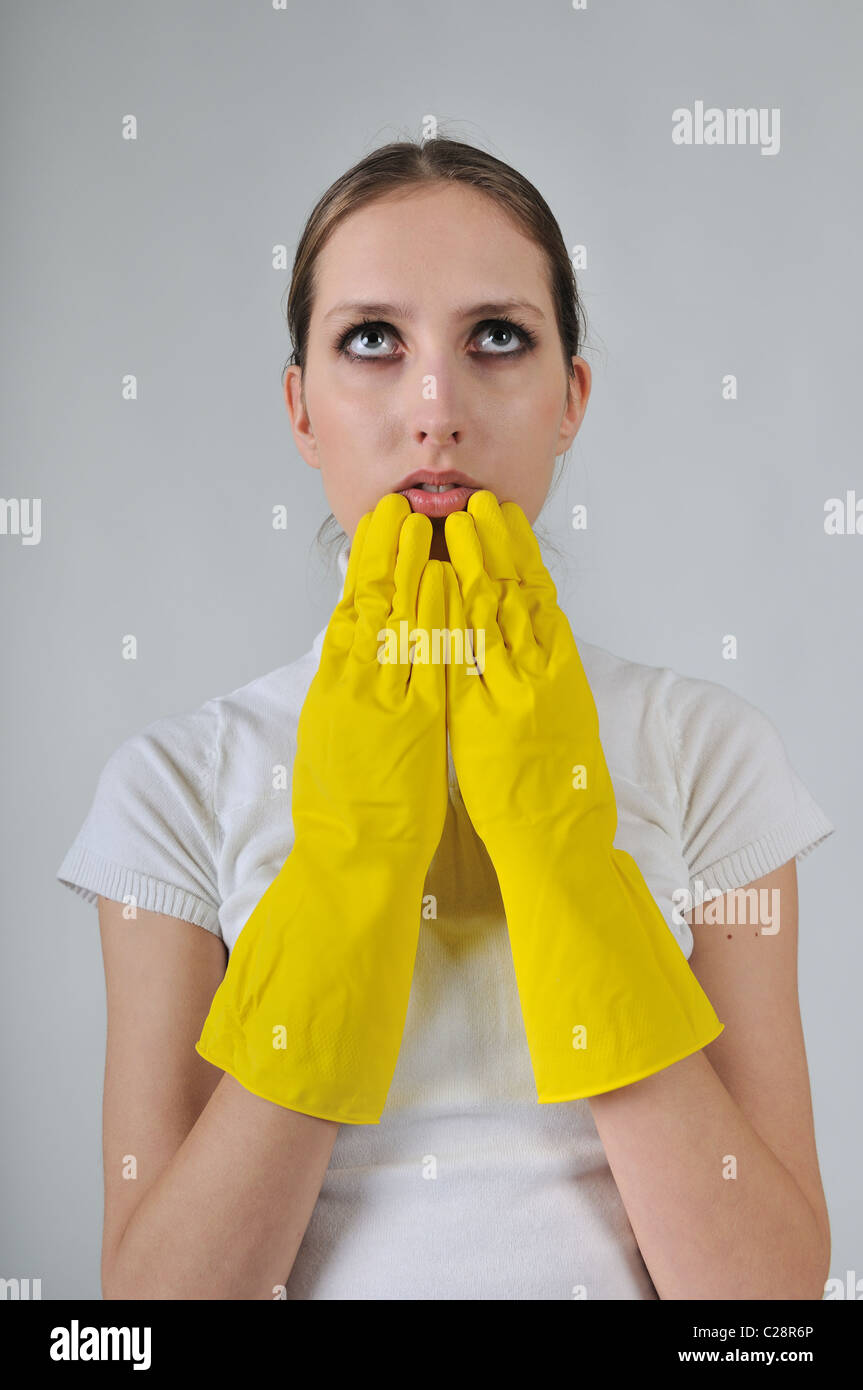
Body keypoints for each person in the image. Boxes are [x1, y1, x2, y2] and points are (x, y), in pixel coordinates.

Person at [56, 136, 834, 1301]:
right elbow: (158, 1313)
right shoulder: (174, 782)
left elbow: (765, 1309)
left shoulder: (708, 751)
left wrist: (563, 858)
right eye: (372, 340)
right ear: (300, 407)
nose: (436, 409)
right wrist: (350, 865)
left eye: (496, 338)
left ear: (570, 397)